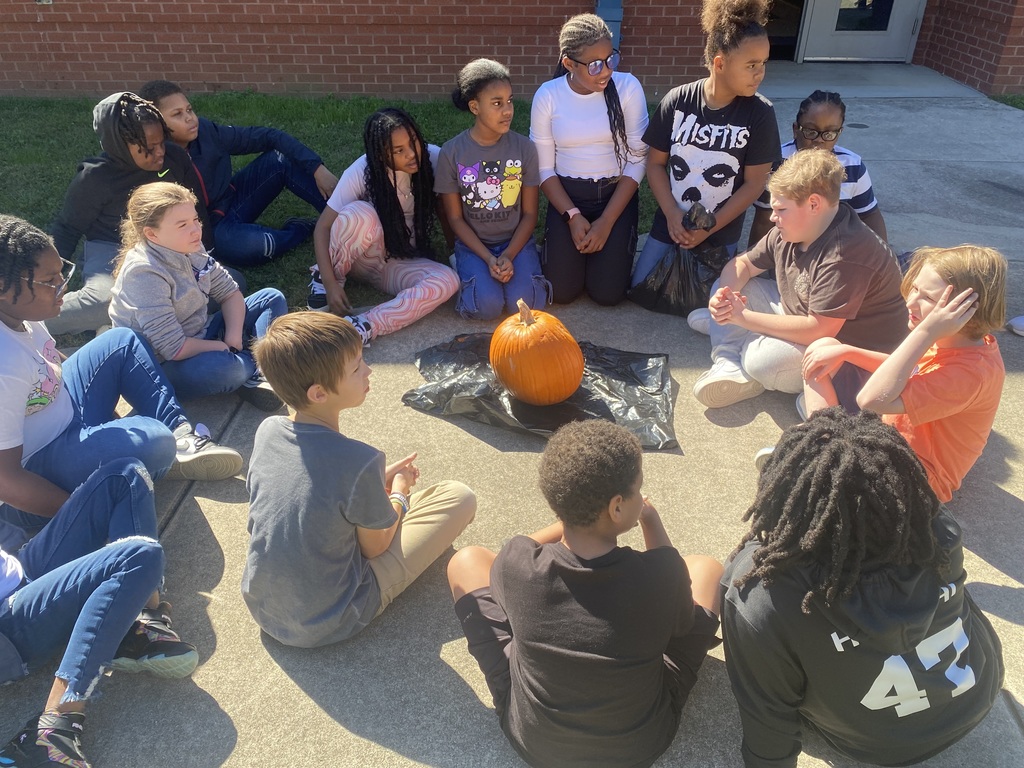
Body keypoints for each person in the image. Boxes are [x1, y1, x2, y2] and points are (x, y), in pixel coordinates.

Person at [722, 408, 1004, 767]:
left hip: (878, 746)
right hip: (976, 696)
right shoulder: (935, 528)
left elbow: (768, 718)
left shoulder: (762, 592)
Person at [446, 419, 723, 768]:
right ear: (617, 507)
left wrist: (572, 512)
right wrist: (650, 521)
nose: (642, 497)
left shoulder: (516, 563)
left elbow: (518, 551)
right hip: (638, 745)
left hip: (534, 741)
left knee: (466, 560)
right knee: (707, 569)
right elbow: (681, 624)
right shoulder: (662, 574)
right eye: (639, 490)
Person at [0, 215, 242, 551]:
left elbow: (51, 364)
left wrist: (101, 404)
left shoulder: (18, 314)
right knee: (154, 442)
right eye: (49, 280)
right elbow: (6, 481)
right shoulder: (3, 365)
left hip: (62, 416)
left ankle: (181, 436)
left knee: (121, 340)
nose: (63, 286)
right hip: (37, 470)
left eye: (62, 272)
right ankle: (160, 451)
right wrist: (83, 515)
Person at [242, 312, 476, 647]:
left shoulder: (268, 432)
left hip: (264, 607)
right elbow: (375, 547)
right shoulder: (360, 461)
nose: (368, 371)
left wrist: (373, 479)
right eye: (356, 368)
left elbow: (307, 487)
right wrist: (399, 492)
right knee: (459, 497)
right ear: (319, 393)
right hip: (331, 619)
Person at [0, 458, 198, 768]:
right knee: (138, 556)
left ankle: (137, 624)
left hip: (20, 568)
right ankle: (49, 729)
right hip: (8, 625)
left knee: (125, 475)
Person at [692, 149, 906, 410]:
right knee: (724, 284)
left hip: (845, 349)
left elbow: (819, 330)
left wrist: (741, 318)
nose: (772, 217)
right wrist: (724, 296)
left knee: (761, 361)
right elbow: (743, 264)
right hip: (801, 313)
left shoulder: (844, 255)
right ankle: (728, 362)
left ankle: (735, 340)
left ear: (814, 204)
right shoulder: (794, 228)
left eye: (781, 209)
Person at [801, 245, 1006, 502]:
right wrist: (847, 352)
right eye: (916, 289)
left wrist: (925, 332)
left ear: (965, 312)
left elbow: (872, 400)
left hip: (914, 477)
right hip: (887, 436)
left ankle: (820, 451)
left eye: (929, 299)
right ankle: (823, 441)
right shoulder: (954, 338)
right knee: (824, 348)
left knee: (823, 476)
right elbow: (906, 370)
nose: (910, 302)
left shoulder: (969, 373)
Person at [631, 0, 780, 289]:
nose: (759, 73)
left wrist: (708, 228)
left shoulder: (760, 114)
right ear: (720, 63)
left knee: (711, 301)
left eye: (763, 63)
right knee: (642, 288)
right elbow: (656, 165)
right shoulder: (677, 101)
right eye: (751, 65)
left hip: (720, 231)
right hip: (671, 225)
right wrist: (673, 216)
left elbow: (753, 184)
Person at [109, 182, 287, 412]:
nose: (195, 230)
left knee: (271, 298)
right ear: (152, 234)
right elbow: (174, 348)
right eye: (182, 224)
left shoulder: (190, 244)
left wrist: (233, 338)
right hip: (165, 364)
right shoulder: (143, 273)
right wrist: (222, 347)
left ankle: (261, 370)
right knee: (230, 370)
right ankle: (257, 368)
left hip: (200, 331)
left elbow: (230, 292)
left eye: (195, 220)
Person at [48, 92, 212, 336]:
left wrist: (203, 254)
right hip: (111, 247)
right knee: (103, 302)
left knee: (222, 285)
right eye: (147, 148)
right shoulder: (94, 179)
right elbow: (67, 229)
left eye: (161, 142)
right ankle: (24, 319)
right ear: (120, 146)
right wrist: (48, 276)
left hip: (168, 244)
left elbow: (196, 211)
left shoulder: (174, 158)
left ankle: (116, 328)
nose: (160, 153)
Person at [139, 79, 338, 267]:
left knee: (279, 158)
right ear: (157, 123)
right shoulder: (153, 160)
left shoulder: (207, 132)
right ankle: (300, 230)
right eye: (177, 114)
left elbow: (269, 136)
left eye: (189, 109)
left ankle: (341, 217)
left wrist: (316, 168)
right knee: (259, 246)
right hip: (209, 229)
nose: (190, 118)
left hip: (234, 201)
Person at [305, 107, 459, 345]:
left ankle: (363, 326)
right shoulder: (361, 170)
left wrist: (458, 254)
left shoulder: (434, 158)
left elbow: (454, 208)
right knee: (359, 214)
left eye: (414, 141)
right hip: (363, 255)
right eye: (399, 150)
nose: (412, 154)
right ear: (380, 155)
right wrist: (330, 283)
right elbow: (322, 228)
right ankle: (327, 280)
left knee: (447, 281)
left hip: (397, 263)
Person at [530, 13, 648, 306]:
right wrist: (572, 216)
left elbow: (637, 159)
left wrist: (606, 222)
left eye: (611, 59)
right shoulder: (548, 96)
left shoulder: (628, 88)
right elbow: (544, 168)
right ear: (569, 63)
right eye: (595, 65)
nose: (606, 70)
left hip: (614, 196)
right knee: (562, 292)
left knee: (607, 294)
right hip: (568, 197)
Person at [435, 59, 551, 321]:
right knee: (485, 307)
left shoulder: (524, 148)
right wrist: (488, 258)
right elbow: (454, 218)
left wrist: (509, 255)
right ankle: (467, 269)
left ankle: (522, 268)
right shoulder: (452, 152)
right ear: (474, 107)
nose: (507, 110)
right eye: (497, 103)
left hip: (516, 242)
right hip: (474, 244)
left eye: (509, 101)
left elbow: (530, 215)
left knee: (527, 308)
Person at [747, 89, 888, 247]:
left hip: (835, 251)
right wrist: (756, 269)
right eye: (810, 131)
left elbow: (869, 215)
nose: (819, 140)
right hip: (787, 251)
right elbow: (764, 220)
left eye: (829, 134)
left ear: (839, 133)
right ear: (795, 129)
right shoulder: (776, 162)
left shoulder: (852, 166)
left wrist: (884, 258)